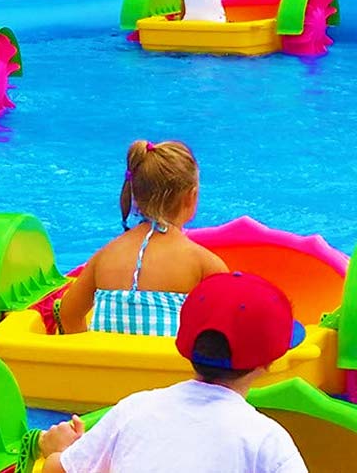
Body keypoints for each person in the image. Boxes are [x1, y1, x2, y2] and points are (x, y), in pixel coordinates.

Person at [39, 272, 309, 473]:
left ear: (183, 345)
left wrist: (59, 448)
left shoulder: (134, 409)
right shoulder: (267, 440)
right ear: (270, 361)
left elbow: (57, 470)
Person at [57, 140, 228, 336]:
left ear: (135, 196)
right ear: (192, 196)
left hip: (105, 365)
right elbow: (228, 331)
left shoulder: (104, 257)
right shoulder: (204, 263)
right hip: (168, 366)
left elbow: (67, 315)